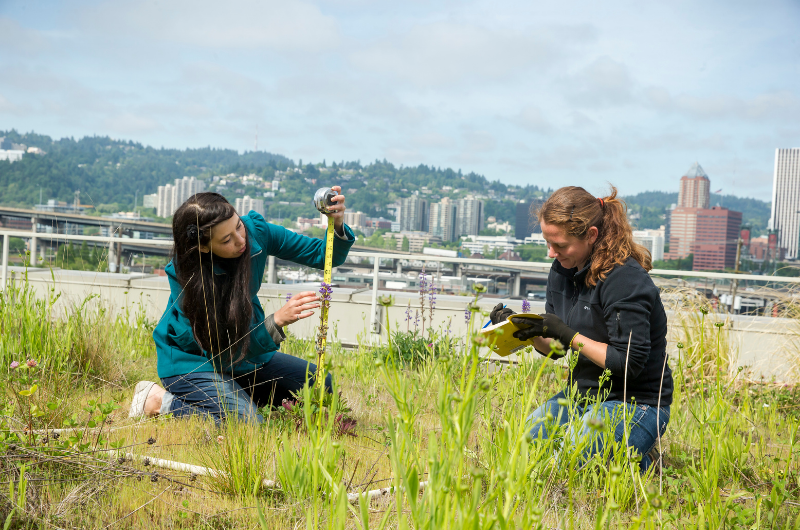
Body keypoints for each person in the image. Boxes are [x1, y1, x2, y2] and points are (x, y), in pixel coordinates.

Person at [128, 189, 354, 423]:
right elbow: (222, 354)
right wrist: (274, 323)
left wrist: (336, 225)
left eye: (238, 226)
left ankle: (233, 398)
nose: (241, 240)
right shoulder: (187, 277)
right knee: (247, 424)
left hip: (246, 356)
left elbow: (323, 255)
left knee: (323, 388)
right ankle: (159, 401)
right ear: (204, 247)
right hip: (195, 362)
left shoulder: (256, 231)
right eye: (226, 240)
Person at [490, 186, 673, 471]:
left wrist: (569, 335)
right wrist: (523, 330)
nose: (551, 253)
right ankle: (620, 455)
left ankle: (641, 464)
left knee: (570, 460)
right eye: (547, 243)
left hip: (636, 402)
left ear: (591, 235)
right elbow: (557, 350)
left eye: (560, 246)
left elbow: (628, 363)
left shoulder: (625, 280)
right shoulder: (562, 271)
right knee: (524, 451)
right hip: (582, 397)